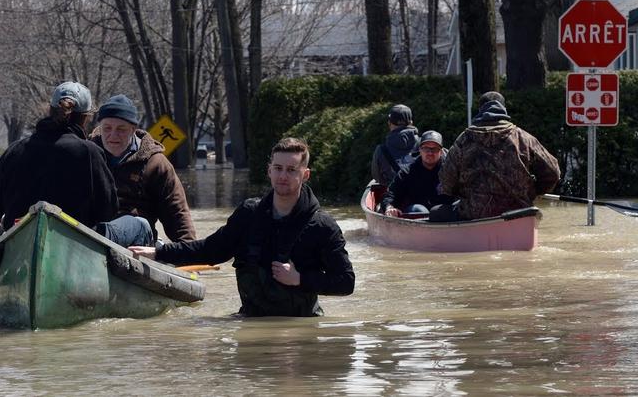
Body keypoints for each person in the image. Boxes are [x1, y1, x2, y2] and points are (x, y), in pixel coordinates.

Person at [129, 137, 355, 317]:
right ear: (269, 171)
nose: (283, 176)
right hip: (250, 321)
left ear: (305, 175)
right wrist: (157, 252)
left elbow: (346, 282)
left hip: (300, 328)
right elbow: (210, 250)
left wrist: (300, 279)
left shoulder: (323, 226)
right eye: (278, 168)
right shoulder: (249, 214)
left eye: (291, 170)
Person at [0, 81, 119, 241]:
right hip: (74, 243)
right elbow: (109, 210)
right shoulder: (90, 153)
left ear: (50, 111)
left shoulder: (15, 150)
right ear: (85, 118)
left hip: (19, 240)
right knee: (139, 225)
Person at [432, 91, 561, 221]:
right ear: (504, 109)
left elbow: (447, 183)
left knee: (435, 212)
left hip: (474, 215)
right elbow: (553, 172)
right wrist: (533, 191)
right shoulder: (524, 138)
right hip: (519, 211)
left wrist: (463, 194)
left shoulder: (464, 140)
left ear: (480, 110)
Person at [91, 94, 195, 243]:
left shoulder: (156, 163)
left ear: (133, 129)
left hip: (137, 241)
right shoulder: (87, 154)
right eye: (107, 128)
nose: (113, 135)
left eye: (121, 129)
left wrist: (188, 250)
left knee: (135, 224)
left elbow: (176, 211)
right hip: (92, 236)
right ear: (100, 128)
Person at [380, 130, 455, 217]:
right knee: (417, 209)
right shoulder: (407, 172)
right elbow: (391, 194)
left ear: (441, 152)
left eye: (434, 149)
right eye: (426, 148)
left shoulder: (451, 171)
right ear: (420, 150)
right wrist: (389, 207)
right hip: (418, 218)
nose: (430, 153)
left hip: (446, 216)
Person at [370, 104, 420, 186]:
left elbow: (377, 177)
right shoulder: (426, 144)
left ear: (389, 123)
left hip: (395, 196)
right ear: (411, 122)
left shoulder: (381, 150)